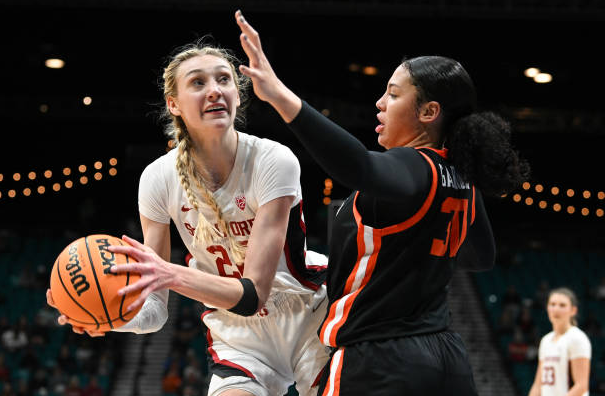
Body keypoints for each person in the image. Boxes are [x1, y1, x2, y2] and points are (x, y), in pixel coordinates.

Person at [234, 9, 529, 395]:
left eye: (393, 93)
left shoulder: (413, 164)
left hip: (381, 360)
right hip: (445, 358)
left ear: (428, 112)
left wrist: (278, 95)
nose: (379, 102)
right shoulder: (462, 180)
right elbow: (480, 257)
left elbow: (357, 166)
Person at [47, 40, 329, 396]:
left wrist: (170, 274)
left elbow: (253, 294)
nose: (214, 91)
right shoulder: (157, 179)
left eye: (224, 80)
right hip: (237, 336)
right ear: (173, 104)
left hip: (308, 317)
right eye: (198, 82)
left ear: (238, 96)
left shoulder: (274, 160)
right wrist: (109, 318)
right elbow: (156, 311)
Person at [528, 288, 591, 396]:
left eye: (562, 305)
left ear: (573, 310)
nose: (556, 309)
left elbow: (581, 385)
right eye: (552, 304)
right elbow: (538, 384)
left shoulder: (577, 338)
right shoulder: (545, 340)